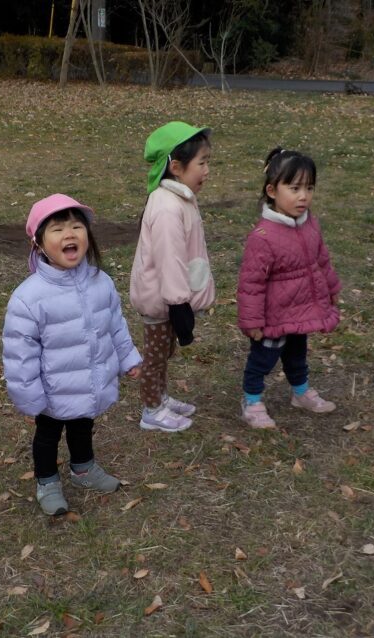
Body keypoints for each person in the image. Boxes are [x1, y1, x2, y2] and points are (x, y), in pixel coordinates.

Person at [3, 194, 142, 516]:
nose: (70, 234)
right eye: (57, 229)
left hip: (89, 379)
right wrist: (29, 396)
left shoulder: (100, 282)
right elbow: (19, 354)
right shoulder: (29, 298)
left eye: (77, 226)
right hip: (52, 390)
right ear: (38, 244)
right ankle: (47, 482)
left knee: (82, 424)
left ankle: (84, 469)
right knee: (48, 435)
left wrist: (128, 357)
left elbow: (115, 326)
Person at [237, 148, 341, 429]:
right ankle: (252, 399)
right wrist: (253, 320)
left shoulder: (310, 226)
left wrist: (331, 290)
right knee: (263, 359)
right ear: (272, 190)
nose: (303, 196)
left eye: (309, 188)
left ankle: (300, 391)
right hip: (273, 316)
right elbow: (251, 284)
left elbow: (322, 261)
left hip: (302, 310)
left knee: (297, 353)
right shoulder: (263, 237)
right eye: (294, 188)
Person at [129, 121, 216, 432]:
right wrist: (179, 305)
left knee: (165, 351)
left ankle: (161, 398)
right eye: (202, 163)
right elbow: (170, 260)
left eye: (208, 162)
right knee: (155, 356)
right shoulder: (167, 207)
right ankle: (151, 410)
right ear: (176, 167)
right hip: (161, 299)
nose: (207, 170)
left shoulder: (179, 198)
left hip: (170, 297)